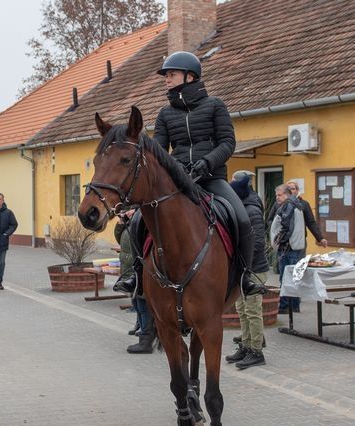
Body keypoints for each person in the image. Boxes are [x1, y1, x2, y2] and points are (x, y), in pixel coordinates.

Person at [112, 51, 266, 297]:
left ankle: (246, 275)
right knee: (140, 219)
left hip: (212, 178)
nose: (166, 79)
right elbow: (159, 151)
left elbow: (227, 143)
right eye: (166, 76)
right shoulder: (165, 114)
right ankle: (136, 273)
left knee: (242, 219)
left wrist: (207, 162)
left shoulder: (215, 105)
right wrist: (175, 168)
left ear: (190, 76)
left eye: (171, 74)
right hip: (178, 181)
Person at [225, 172, 268, 369]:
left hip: (254, 269)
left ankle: (256, 351)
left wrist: (242, 259)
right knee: (242, 310)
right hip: (244, 269)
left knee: (252, 311)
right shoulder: (241, 207)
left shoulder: (252, 210)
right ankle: (246, 345)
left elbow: (258, 243)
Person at [116, 209, 155, 353]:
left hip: (140, 269)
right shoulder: (132, 222)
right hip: (130, 269)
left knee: (143, 305)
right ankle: (140, 328)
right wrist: (121, 223)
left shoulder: (143, 218)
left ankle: (146, 339)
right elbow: (118, 238)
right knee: (137, 303)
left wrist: (137, 214)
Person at [272, 183, 307, 314]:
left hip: (288, 247)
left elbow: (286, 227)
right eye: (276, 195)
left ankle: (285, 306)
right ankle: (295, 305)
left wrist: (278, 240)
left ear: (287, 194)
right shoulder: (296, 204)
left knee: (285, 277)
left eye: (279, 195)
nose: (277, 197)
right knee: (294, 277)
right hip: (295, 246)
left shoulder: (288, 205)